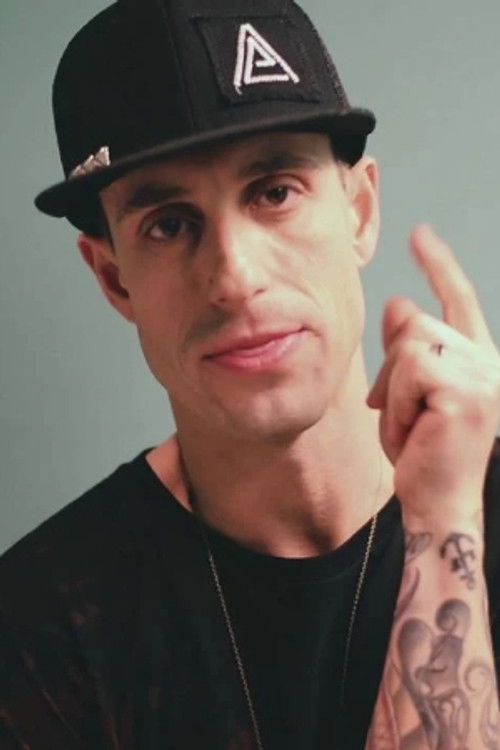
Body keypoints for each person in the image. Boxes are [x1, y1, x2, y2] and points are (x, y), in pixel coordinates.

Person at [1, 0, 499, 747]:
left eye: (274, 192)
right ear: (113, 279)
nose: (234, 278)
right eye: (169, 224)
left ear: (360, 212)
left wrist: (445, 520)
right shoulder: (41, 623)